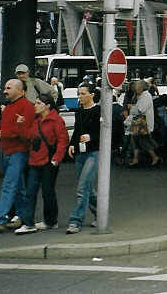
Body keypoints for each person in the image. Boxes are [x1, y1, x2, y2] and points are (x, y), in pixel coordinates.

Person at [0, 78, 36, 233]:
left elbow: (25, 133)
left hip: (17, 151)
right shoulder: (13, 107)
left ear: (20, 90)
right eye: (5, 88)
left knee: (9, 185)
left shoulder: (26, 107)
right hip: (10, 151)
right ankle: (23, 218)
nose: (5, 91)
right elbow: (6, 125)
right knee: (17, 187)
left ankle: (0, 219)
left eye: (8, 88)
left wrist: (1, 133)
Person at [14, 93, 69, 233]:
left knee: (47, 192)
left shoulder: (56, 120)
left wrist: (56, 159)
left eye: (38, 103)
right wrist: (21, 125)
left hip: (49, 163)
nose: (35, 106)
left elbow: (63, 141)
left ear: (47, 106)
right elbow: (28, 137)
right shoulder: (36, 120)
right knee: (30, 192)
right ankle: (28, 224)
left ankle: (50, 221)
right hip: (35, 161)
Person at [65, 83, 100, 234]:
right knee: (88, 188)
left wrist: (91, 137)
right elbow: (77, 129)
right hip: (80, 152)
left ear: (92, 95)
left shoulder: (99, 110)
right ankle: (100, 213)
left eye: (83, 93)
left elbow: (105, 132)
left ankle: (75, 220)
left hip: (93, 152)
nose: (80, 96)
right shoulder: (79, 112)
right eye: (79, 93)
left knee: (82, 188)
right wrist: (72, 144)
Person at [128, 80, 161, 167]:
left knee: (142, 141)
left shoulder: (145, 96)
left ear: (141, 87)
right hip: (140, 122)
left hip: (143, 123)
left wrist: (132, 107)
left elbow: (140, 109)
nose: (135, 88)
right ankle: (136, 159)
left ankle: (154, 157)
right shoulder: (142, 95)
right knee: (137, 140)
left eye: (136, 87)